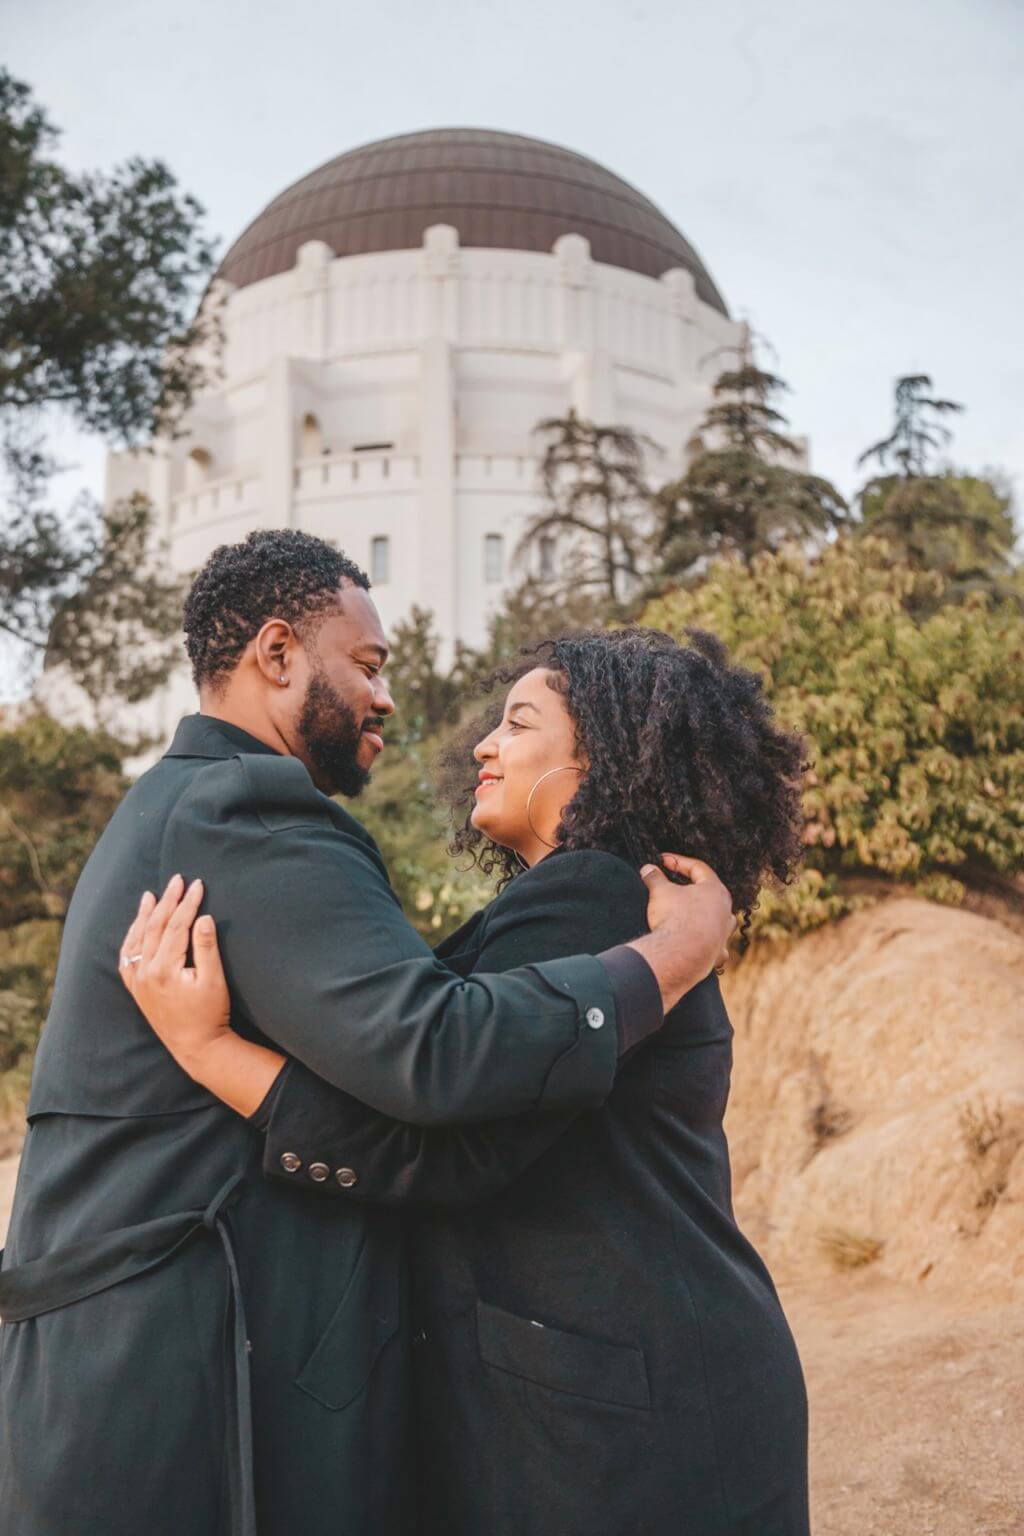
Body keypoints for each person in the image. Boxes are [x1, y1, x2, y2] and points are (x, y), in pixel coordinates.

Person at [0, 531, 733, 1536]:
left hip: (144, 1373)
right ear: (276, 654)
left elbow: (427, 1090)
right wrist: (673, 958)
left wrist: (217, 1055)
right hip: (173, 1377)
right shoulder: (247, 806)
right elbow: (435, 1052)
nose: (388, 698)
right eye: (369, 664)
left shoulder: (179, 805)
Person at [120, 625, 810, 1535]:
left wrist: (212, 1049)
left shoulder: (600, 895)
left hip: (627, 1413)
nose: (484, 744)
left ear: (605, 757)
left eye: (518, 724)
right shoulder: (584, 904)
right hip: (626, 1390)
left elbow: (449, 1149)